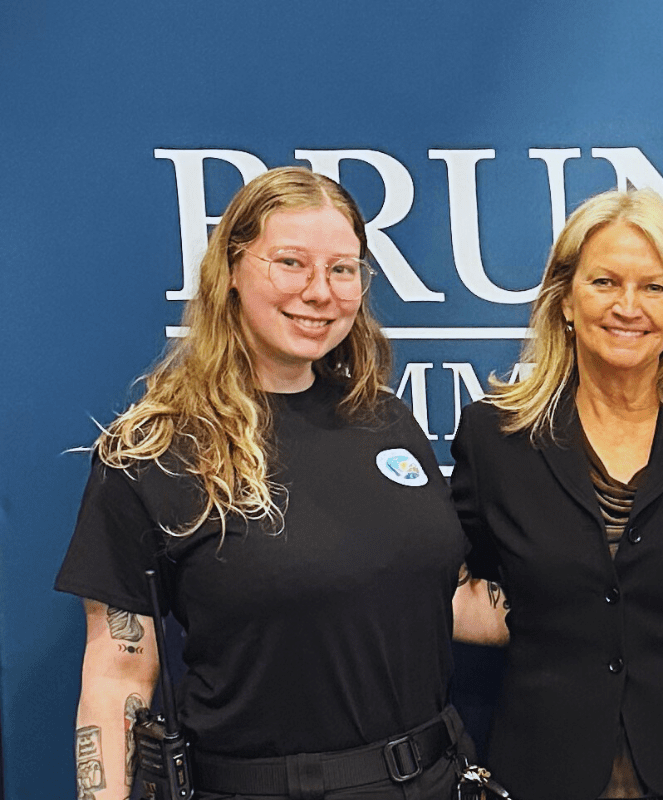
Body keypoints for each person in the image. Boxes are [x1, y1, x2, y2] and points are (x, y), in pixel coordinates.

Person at [56, 167, 471, 800]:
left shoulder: (385, 418)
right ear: (230, 269)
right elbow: (118, 677)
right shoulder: (153, 450)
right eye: (290, 263)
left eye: (342, 269)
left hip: (436, 777)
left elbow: (437, 597)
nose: (319, 291)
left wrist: (594, 591)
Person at [450, 188, 663, 800]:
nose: (628, 307)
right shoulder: (494, 439)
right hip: (542, 772)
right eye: (605, 282)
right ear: (565, 300)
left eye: (654, 287)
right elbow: (446, 583)